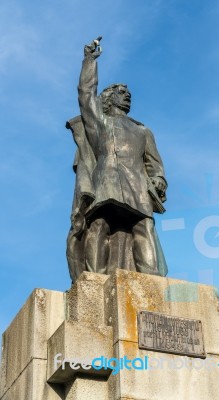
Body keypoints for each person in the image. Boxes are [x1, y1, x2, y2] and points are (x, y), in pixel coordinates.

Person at [66, 37, 168, 283]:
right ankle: (94, 278)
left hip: (137, 187)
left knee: (144, 227)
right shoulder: (100, 123)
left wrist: (159, 181)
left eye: (129, 93)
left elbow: (155, 166)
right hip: (106, 181)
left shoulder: (143, 131)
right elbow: (85, 94)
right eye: (122, 93)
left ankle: (152, 281)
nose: (127, 96)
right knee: (99, 224)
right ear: (109, 98)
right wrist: (90, 60)